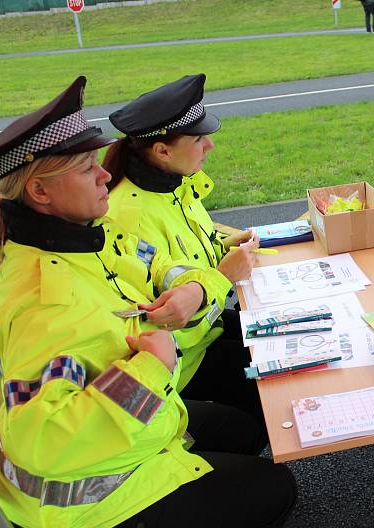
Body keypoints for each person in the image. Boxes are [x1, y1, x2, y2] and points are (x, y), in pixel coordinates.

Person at [0, 77, 296, 528]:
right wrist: (150, 368)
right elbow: (45, 442)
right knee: (274, 487)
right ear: (40, 192)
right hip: (87, 504)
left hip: (134, 429)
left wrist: (195, 288)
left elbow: (158, 264)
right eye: (87, 167)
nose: (106, 175)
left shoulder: (82, 238)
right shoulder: (44, 303)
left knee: (244, 429)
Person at [102, 74, 261, 418]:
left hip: (207, 331)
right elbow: (159, 315)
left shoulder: (173, 185)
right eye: (200, 138)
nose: (210, 146)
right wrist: (222, 275)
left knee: (286, 351)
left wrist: (223, 246)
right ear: (161, 151)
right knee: (268, 388)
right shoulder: (128, 218)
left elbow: (186, 259)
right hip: (185, 361)